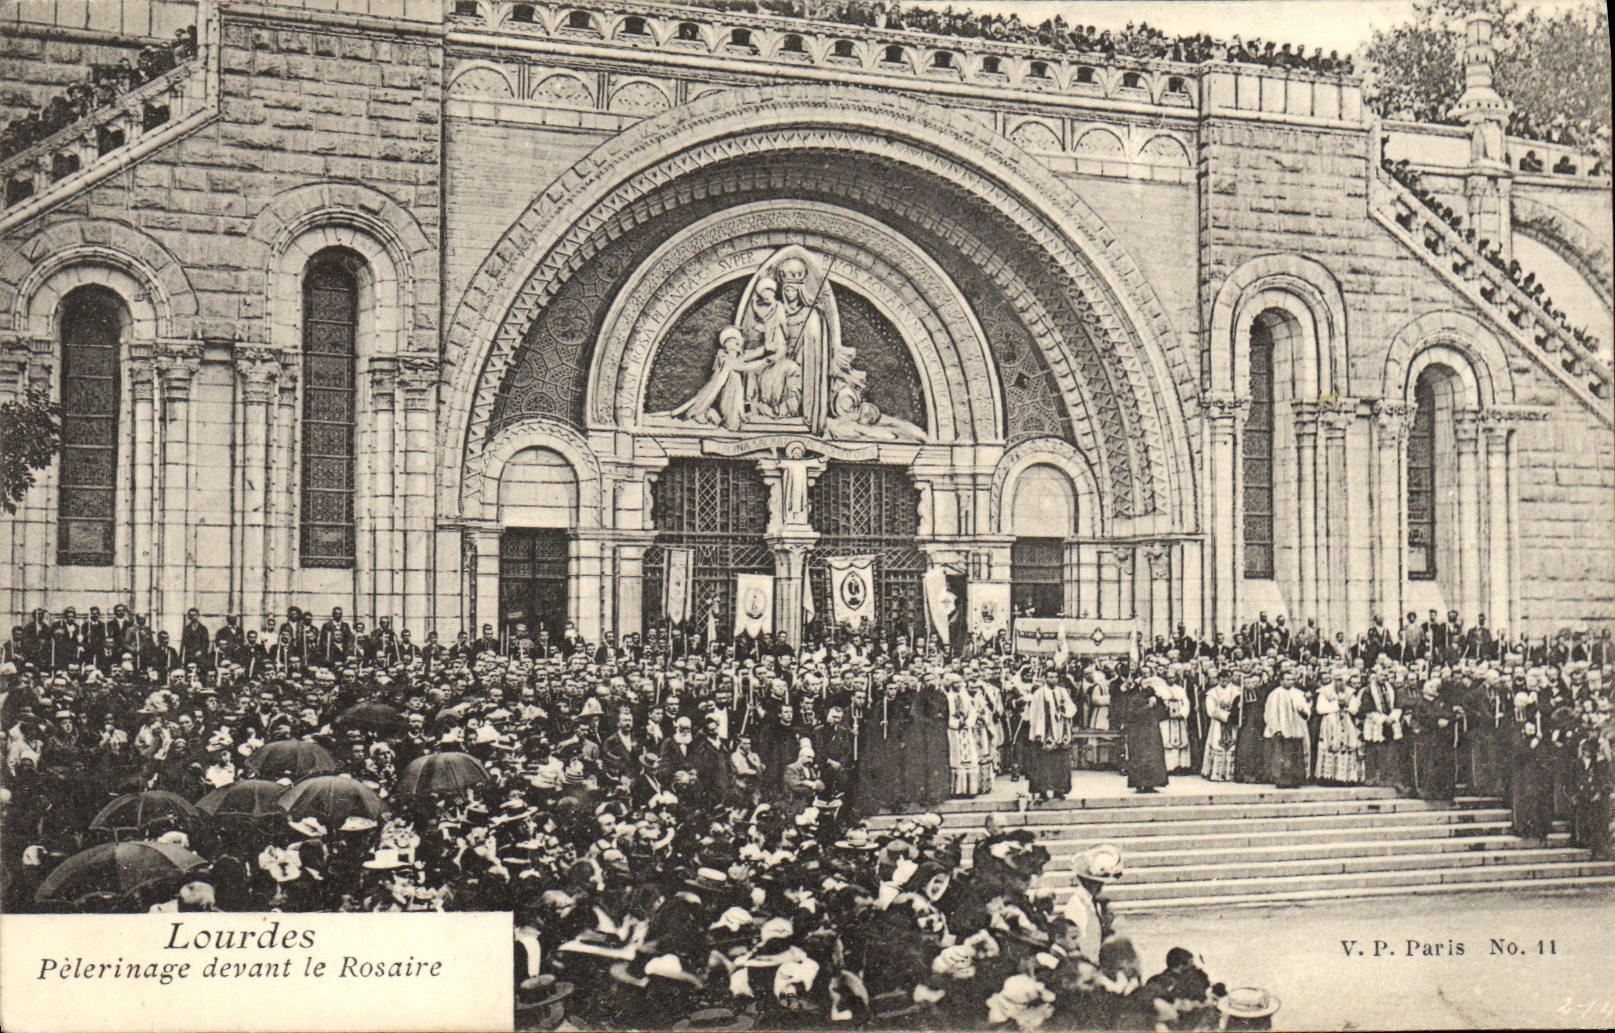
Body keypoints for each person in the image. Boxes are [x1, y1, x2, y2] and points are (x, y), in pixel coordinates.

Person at [1263, 668, 1310, 788]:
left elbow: (1306, 710)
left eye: (1292, 679)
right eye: (1287, 679)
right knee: (1281, 756)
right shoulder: (1275, 694)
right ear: (1281, 681)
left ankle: (1296, 779)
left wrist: (1303, 711)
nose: (1290, 682)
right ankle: (1282, 780)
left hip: (1296, 729)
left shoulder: (1298, 693)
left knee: (1295, 755)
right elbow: (1270, 713)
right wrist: (1276, 729)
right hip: (1281, 730)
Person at [1200, 675, 1239, 782]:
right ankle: (1215, 774)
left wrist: (1233, 716)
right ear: (1218, 680)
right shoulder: (1212, 693)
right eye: (1222, 679)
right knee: (1217, 744)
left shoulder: (1237, 690)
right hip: (1217, 723)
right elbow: (1210, 710)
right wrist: (1225, 716)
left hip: (1232, 724)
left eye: (1226, 679)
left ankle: (1229, 774)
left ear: (1230, 679)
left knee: (1231, 746)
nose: (1224, 682)